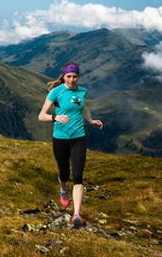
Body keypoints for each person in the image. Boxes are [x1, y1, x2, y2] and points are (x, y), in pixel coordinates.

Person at [38, 62, 103, 229]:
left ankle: (76, 214)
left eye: (75, 77)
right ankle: (63, 189)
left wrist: (91, 120)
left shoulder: (82, 91)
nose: (72, 80)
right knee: (64, 174)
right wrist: (55, 118)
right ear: (64, 76)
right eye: (69, 76)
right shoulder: (56, 92)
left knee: (79, 176)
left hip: (79, 138)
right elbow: (41, 116)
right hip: (60, 138)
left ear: (78, 77)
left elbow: (82, 107)